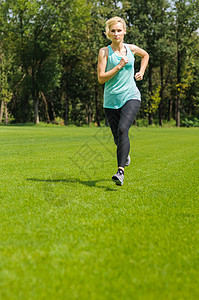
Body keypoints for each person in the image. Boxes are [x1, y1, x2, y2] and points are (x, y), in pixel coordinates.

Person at [97, 16, 149, 186]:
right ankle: (124, 155)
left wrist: (141, 71)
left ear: (124, 31)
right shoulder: (104, 52)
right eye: (113, 31)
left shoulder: (131, 48)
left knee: (122, 129)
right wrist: (118, 66)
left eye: (119, 30)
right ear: (108, 33)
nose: (116, 33)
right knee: (117, 138)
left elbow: (146, 55)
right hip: (111, 100)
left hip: (131, 96)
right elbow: (101, 78)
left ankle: (120, 171)